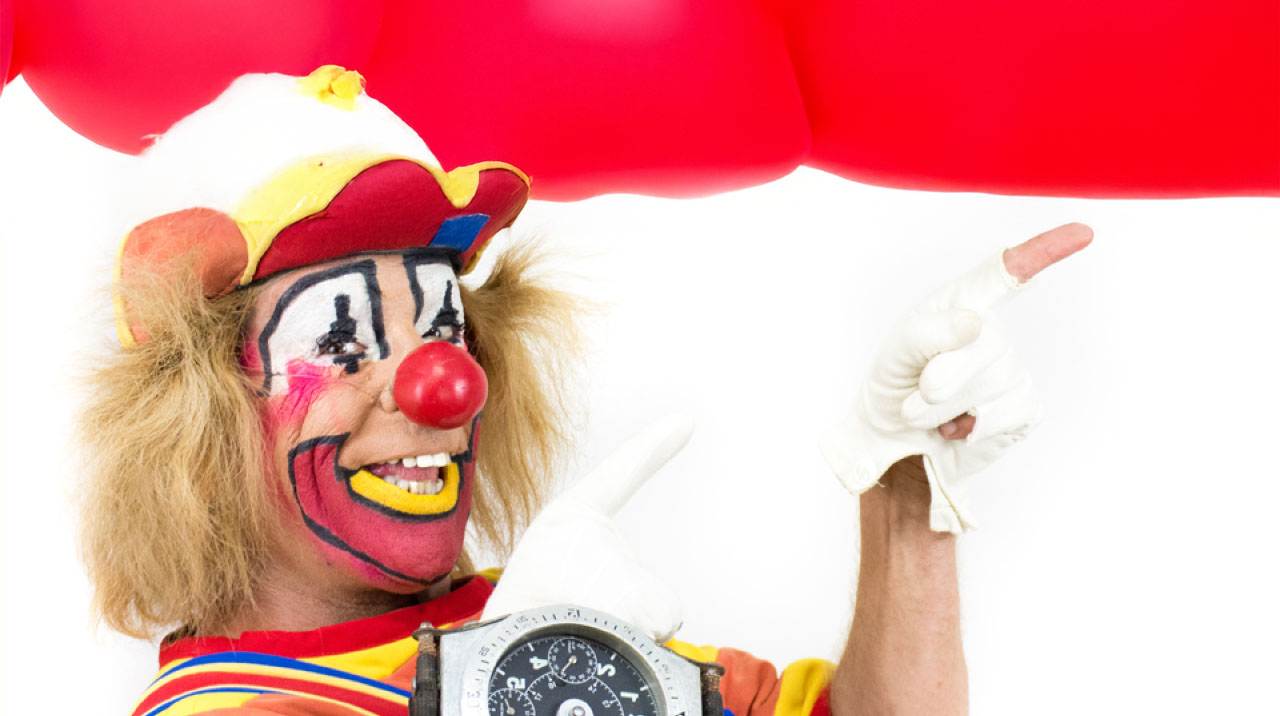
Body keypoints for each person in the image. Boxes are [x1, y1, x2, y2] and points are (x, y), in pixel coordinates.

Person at [80, 66, 1090, 716]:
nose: (440, 385)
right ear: (193, 417)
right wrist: (517, 677)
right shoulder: (225, 705)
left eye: (443, 326)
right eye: (341, 342)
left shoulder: (531, 620)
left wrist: (906, 499)